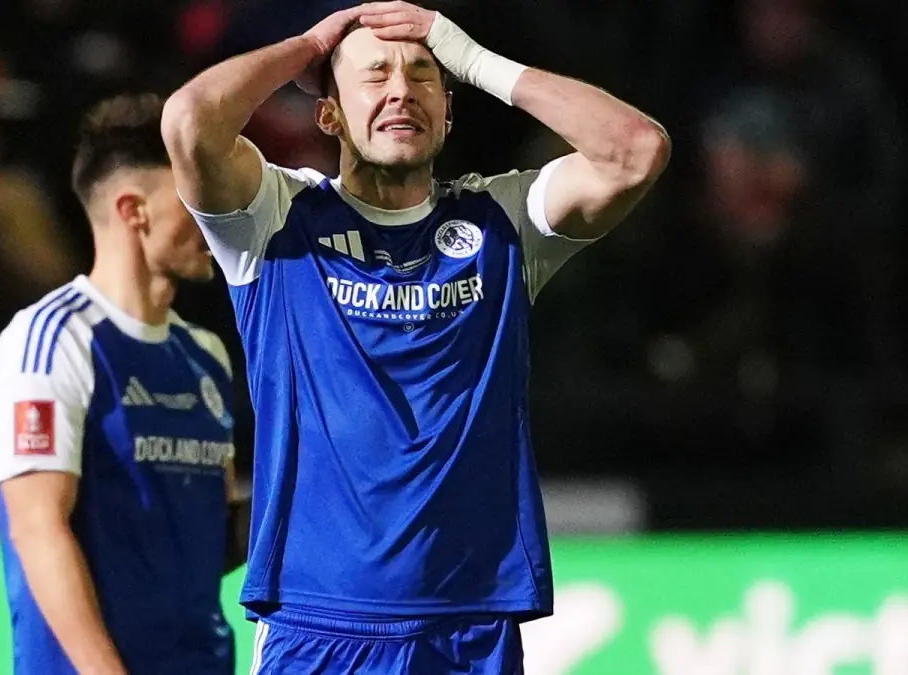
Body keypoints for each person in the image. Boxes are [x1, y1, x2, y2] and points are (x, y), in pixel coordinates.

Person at [162, 1, 669, 672]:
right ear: (328, 114)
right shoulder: (275, 219)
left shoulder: (502, 223)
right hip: (319, 620)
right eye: (374, 74)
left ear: (449, 111)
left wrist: (478, 61)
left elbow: (636, 150)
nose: (401, 90)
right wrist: (310, 46)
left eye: (424, 74)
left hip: (470, 625)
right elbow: (190, 121)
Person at [0, 93, 250, 675]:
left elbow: (209, 538)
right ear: (134, 210)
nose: (217, 213)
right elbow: (39, 529)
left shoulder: (204, 355)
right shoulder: (51, 340)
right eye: (195, 194)